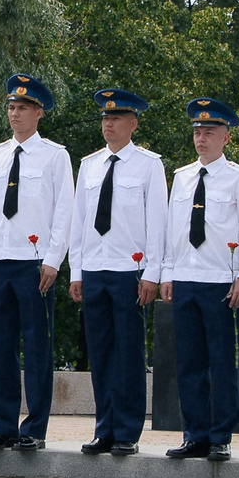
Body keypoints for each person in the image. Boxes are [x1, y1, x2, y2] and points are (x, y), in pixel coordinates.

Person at [0, 73, 75, 453]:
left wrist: (53, 259)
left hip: (34, 264)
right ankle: (4, 425)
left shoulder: (55, 155)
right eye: (11, 107)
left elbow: (64, 211)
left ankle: (34, 427)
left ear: (38, 113)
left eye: (22, 108)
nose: (15, 114)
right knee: (1, 347)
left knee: (36, 347)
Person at [64, 89, 168, 455]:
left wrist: (152, 272)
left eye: (116, 118)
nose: (108, 124)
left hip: (129, 270)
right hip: (95, 268)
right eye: (105, 118)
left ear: (133, 123)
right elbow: (79, 221)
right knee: (101, 352)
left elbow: (157, 222)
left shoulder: (148, 165)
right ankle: (104, 428)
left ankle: (126, 431)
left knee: (128, 353)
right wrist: (76, 271)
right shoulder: (90, 164)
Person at [161, 97, 239, 461]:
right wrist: (168, 272)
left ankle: (221, 435)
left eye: (209, 133)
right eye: (197, 133)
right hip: (186, 277)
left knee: (221, 361)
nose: (201, 139)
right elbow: (173, 230)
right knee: (189, 363)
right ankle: (194, 434)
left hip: (221, 280)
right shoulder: (182, 177)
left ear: (226, 137)